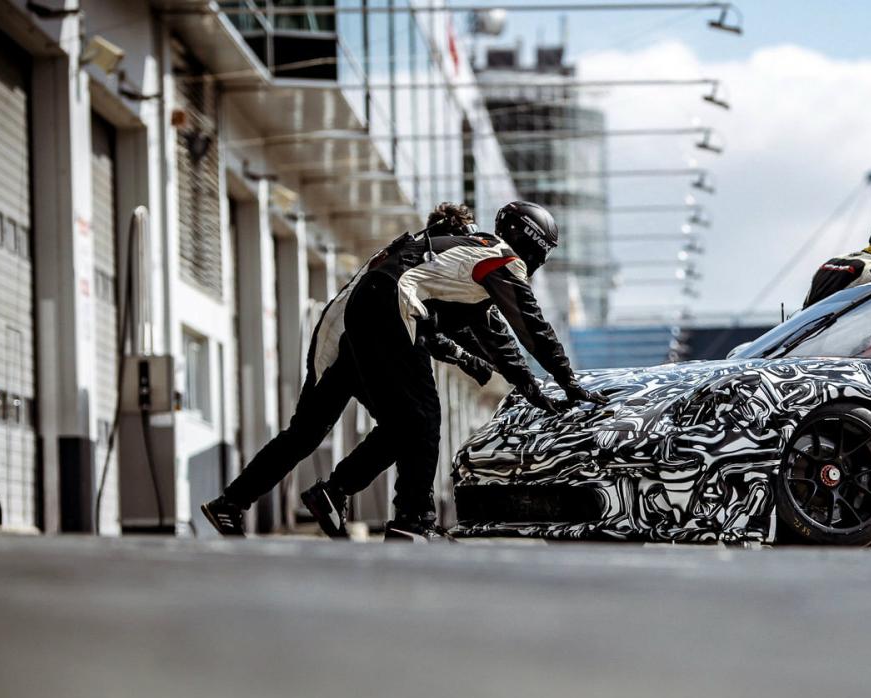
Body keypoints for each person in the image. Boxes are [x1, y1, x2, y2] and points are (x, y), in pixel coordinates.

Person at [201, 201, 599, 541]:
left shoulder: (442, 258)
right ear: (533, 246)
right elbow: (527, 326)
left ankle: (246, 502)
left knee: (397, 424)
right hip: (355, 333)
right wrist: (566, 381)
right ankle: (409, 519)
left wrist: (529, 385)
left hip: (361, 325)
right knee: (418, 419)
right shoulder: (497, 256)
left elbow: (487, 335)